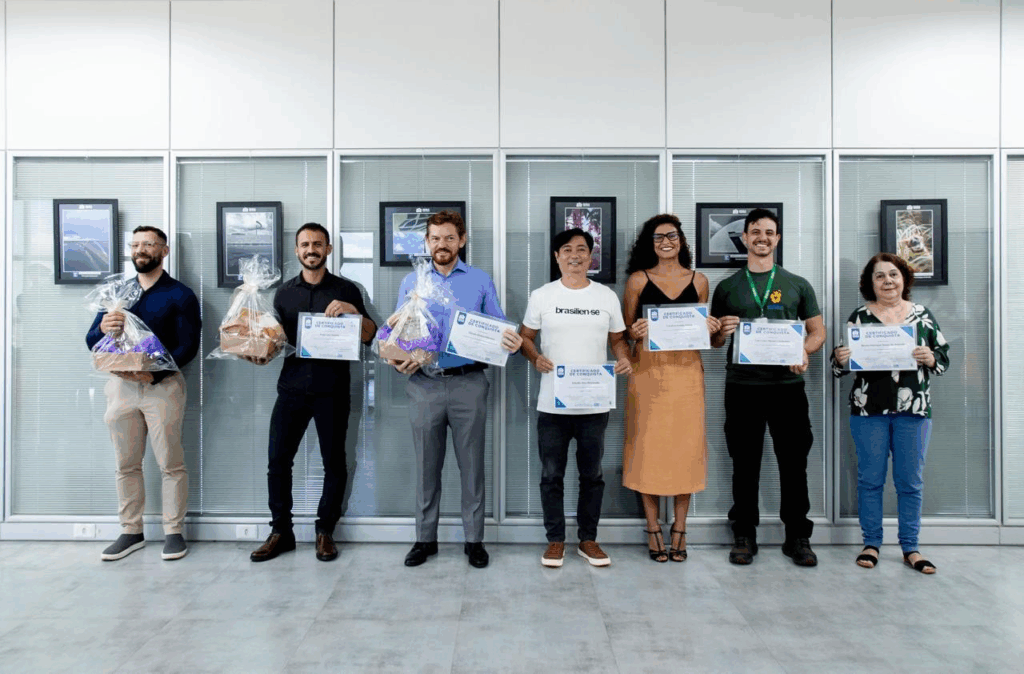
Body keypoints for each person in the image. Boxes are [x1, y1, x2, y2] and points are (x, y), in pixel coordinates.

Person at [391, 210, 522, 569]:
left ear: (461, 240)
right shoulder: (412, 282)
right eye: (435, 238)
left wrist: (509, 341)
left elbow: (497, 326)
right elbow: (398, 332)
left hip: (469, 383)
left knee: (472, 465)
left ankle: (474, 540)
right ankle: (424, 539)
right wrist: (398, 357)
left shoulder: (479, 280)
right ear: (427, 242)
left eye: (449, 237)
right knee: (426, 466)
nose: (442, 244)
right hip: (424, 385)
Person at [249, 223, 376, 563]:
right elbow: (274, 341)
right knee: (278, 461)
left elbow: (370, 336)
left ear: (328, 249)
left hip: (332, 391)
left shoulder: (348, 290)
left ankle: (325, 531)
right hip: (291, 389)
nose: (311, 249)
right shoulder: (283, 293)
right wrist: (256, 349)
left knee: (334, 463)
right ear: (297, 250)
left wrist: (354, 312)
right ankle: (281, 532)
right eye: (305, 244)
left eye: (317, 244)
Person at [710, 208, 826, 567]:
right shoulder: (727, 287)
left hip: (787, 387)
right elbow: (714, 342)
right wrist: (720, 331)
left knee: (794, 464)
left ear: (777, 239)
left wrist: (804, 352)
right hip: (742, 387)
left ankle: (798, 537)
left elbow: (817, 332)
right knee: (744, 464)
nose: (763, 238)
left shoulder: (797, 284)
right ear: (744, 238)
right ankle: (744, 534)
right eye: (756, 232)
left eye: (770, 232)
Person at [85, 226, 201, 561]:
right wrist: (102, 328)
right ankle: (131, 531)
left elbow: (188, 346)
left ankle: (173, 532)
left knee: (171, 463)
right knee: (125, 464)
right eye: (135, 244)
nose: (140, 250)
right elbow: (91, 341)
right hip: (121, 387)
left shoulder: (180, 294)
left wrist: (153, 373)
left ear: (164, 251)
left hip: (162, 387)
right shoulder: (117, 294)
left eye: (148, 244)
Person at [520, 228, 632, 568]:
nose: (575, 255)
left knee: (592, 475)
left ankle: (588, 540)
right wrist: (535, 357)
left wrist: (624, 358)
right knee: (551, 475)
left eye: (582, 249)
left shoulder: (606, 297)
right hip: (553, 403)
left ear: (590, 256)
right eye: (567, 250)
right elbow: (525, 337)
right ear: (557, 257)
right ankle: (555, 540)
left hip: (594, 403)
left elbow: (618, 340)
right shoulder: (542, 296)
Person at [831, 252, 949, 574]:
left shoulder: (922, 316)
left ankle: (911, 547)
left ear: (904, 279)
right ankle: (871, 543)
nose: (887, 281)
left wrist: (930, 358)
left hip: (914, 410)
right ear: (870, 283)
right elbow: (838, 367)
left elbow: (943, 358)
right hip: (868, 411)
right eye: (880, 276)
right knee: (870, 480)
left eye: (893, 275)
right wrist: (840, 359)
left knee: (910, 481)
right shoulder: (859, 318)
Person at [621, 214, 719, 562]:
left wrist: (713, 328)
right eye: (658, 237)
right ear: (649, 243)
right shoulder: (637, 280)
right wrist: (634, 332)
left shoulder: (700, 280)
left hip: (687, 375)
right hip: (647, 374)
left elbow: (706, 335)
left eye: (672, 236)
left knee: (685, 449)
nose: (665, 242)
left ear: (681, 241)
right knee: (647, 448)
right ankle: (652, 528)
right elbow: (625, 331)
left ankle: (680, 528)